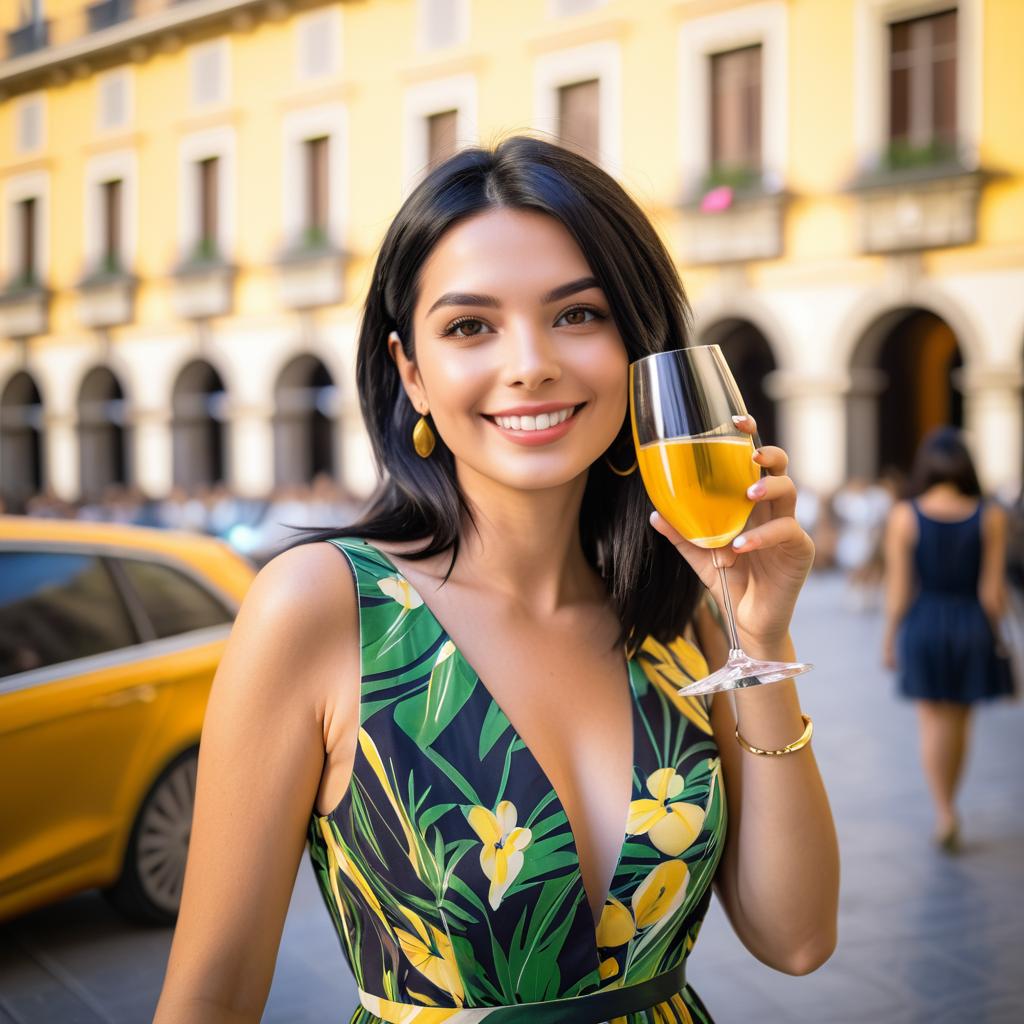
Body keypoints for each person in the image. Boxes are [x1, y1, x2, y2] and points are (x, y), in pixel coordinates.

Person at [153, 135, 838, 1024]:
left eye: (578, 314)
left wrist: (762, 637)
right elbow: (208, 997)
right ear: (413, 372)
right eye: (471, 326)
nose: (530, 364)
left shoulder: (684, 615)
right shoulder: (322, 609)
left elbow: (798, 938)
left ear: (639, 345)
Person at [882, 426, 1015, 852]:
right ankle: (950, 804)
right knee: (960, 722)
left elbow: (899, 590)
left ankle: (943, 810)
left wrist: (888, 638)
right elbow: (992, 594)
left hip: (924, 623)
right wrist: (1000, 639)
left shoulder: (905, 514)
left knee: (931, 722)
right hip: (971, 624)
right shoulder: (990, 513)